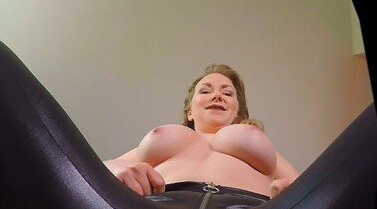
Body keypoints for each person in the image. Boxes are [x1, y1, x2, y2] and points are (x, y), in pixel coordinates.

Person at [103, 64, 299, 199]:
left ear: (237, 112)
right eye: (206, 91)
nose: (217, 96)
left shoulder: (258, 144)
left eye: (227, 93)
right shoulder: (176, 141)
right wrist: (117, 169)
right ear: (189, 111)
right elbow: (103, 168)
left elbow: (301, 185)